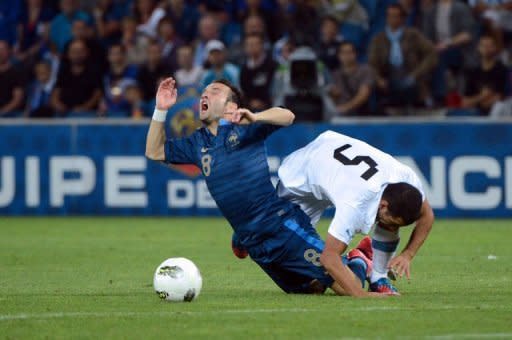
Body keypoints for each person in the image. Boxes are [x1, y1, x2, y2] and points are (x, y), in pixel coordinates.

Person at [145, 77, 385, 297]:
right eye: (204, 92)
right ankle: (243, 240)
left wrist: (256, 116)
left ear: (231, 106)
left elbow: (287, 116)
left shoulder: (246, 126)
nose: (204, 95)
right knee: (312, 289)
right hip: (255, 243)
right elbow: (154, 151)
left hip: (280, 226)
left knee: (347, 285)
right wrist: (161, 109)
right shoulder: (197, 142)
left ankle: (359, 259)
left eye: (215, 91)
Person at [276, 130, 435, 294]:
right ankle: (361, 261)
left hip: (331, 162)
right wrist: (361, 295)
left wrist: (407, 254)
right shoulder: (355, 202)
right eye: (394, 223)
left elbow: (427, 215)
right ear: (383, 205)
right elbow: (329, 258)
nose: (392, 228)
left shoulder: (406, 180)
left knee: (327, 284)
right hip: (298, 182)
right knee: (308, 285)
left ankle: (378, 278)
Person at [368, 3, 438, 113]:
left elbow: (431, 53)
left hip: (411, 76)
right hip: (388, 79)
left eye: (396, 16)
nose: (393, 19)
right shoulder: (378, 39)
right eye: (390, 16)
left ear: (402, 18)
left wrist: (416, 74)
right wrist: (378, 79)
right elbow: (372, 64)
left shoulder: (413, 35)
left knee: (413, 87)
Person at [462, 35, 510, 116]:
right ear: (478, 48)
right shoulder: (473, 72)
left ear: (495, 48)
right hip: (476, 113)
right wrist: (482, 96)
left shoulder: (502, 70)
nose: (486, 49)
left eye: (489, 46)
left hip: (499, 112)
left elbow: (502, 97)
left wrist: (483, 101)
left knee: (499, 107)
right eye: (483, 45)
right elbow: (465, 102)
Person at [329, 41, 374, 116]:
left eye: (350, 52)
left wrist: (346, 108)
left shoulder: (366, 70)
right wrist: (333, 95)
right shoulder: (334, 74)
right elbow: (331, 96)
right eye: (343, 53)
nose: (347, 55)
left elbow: (363, 95)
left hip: (361, 115)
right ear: (339, 55)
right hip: (340, 116)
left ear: (355, 54)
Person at [240, 33, 277, 112]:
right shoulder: (244, 68)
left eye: (254, 44)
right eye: (249, 45)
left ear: (262, 45)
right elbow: (243, 90)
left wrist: (265, 103)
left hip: (271, 107)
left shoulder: (272, 65)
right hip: (250, 108)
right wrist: (250, 102)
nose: (251, 47)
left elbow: (276, 89)